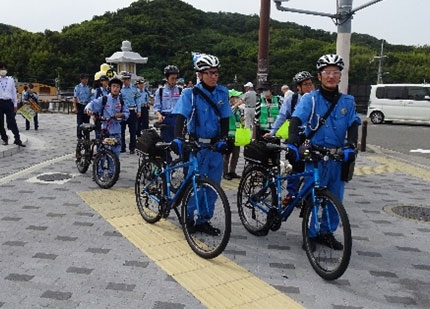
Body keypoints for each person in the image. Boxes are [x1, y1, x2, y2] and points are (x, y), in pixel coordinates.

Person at [287, 54, 361, 250]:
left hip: (337, 158)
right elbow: (295, 121)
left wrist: (352, 146)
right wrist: (292, 144)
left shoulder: (348, 101)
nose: (331, 76)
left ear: (340, 76)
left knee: (336, 197)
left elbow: (354, 124)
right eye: (327, 72)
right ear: (319, 76)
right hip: (316, 156)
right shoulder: (310, 99)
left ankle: (326, 232)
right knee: (313, 196)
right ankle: (309, 234)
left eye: (335, 72)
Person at [172, 53, 232, 235]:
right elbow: (181, 117)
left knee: (213, 186)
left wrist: (223, 139)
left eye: (216, 73)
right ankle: (188, 217)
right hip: (197, 146)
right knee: (195, 186)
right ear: (199, 74)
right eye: (210, 73)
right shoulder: (190, 94)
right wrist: (178, 138)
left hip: (214, 148)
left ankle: (204, 219)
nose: (214, 76)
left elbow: (225, 118)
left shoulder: (222, 92)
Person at [264, 71, 314, 201]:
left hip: (310, 137)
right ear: (299, 87)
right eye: (306, 84)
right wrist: (273, 131)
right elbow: (282, 116)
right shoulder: (292, 100)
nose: (310, 87)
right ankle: (292, 193)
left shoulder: (316, 98)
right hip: (296, 137)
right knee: (296, 165)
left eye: (311, 84)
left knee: (311, 165)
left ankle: (308, 193)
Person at [84, 77, 130, 158]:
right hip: (104, 129)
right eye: (114, 86)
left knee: (115, 154)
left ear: (120, 89)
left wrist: (121, 115)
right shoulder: (104, 99)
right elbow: (92, 104)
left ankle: (112, 170)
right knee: (102, 153)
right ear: (110, 87)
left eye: (118, 87)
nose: (115, 89)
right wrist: (88, 109)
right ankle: (99, 170)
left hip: (116, 130)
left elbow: (127, 113)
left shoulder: (121, 101)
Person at [153, 65, 181, 143]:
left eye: (176, 78)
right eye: (172, 78)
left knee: (179, 144)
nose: (174, 81)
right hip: (166, 118)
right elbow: (156, 107)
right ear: (167, 78)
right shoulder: (161, 91)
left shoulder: (180, 90)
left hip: (178, 119)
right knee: (166, 145)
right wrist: (159, 116)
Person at [0, 62, 25, 147]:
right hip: (0, 102)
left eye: (4, 69)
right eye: (1, 69)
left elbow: (14, 92)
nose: (3, 70)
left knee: (12, 122)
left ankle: (17, 139)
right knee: (0, 123)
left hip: (9, 102)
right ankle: (4, 138)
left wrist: (15, 104)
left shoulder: (10, 79)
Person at [223, 89, 244, 180]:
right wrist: (236, 105)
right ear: (230, 98)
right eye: (235, 97)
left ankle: (232, 171)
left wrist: (242, 120)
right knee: (226, 155)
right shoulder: (225, 107)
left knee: (236, 154)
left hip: (237, 135)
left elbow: (239, 119)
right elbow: (228, 113)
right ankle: (225, 172)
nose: (237, 99)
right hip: (228, 135)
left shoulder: (237, 109)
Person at [119, 72, 140, 154]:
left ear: (130, 80)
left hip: (132, 110)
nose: (125, 81)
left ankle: (132, 147)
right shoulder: (120, 89)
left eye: (127, 79)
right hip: (123, 111)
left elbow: (138, 100)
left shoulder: (134, 89)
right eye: (124, 79)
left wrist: (139, 111)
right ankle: (122, 147)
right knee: (121, 130)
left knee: (133, 130)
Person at [72, 73, 91, 139]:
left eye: (87, 79)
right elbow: (75, 98)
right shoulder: (78, 87)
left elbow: (90, 97)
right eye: (84, 79)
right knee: (80, 122)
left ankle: (87, 136)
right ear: (81, 79)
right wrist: (75, 107)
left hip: (87, 105)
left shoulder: (88, 88)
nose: (86, 80)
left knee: (87, 122)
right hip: (80, 105)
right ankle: (79, 136)